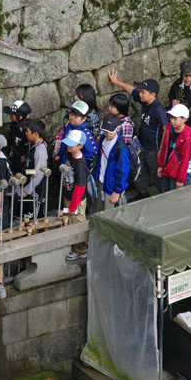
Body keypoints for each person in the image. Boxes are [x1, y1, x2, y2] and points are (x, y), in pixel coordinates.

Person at [107, 71, 167, 198]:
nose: (139, 94)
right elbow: (132, 90)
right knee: (141, 170)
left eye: (143, 92)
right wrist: (116, 82)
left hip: (154, 149)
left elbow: (166, 128)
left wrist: (162, 149)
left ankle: (164, 195)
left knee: (156, 173)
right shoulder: (145, 101)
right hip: (143, 145)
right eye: (140, 91)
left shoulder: (158, 109)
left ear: (153, 95)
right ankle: (143, 193)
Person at [60, 129, 90, 260]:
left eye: (71, 145)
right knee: (70, 222)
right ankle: (74, 248)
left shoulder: (80, 165)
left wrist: (73, 205)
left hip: (76, 200)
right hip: (68, 195)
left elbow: (80, 187)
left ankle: (81, 250)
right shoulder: (69, 155)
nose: (68, 147)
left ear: (80, 146)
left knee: (77, 223)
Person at [93, 113, 131, 210]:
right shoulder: (102, 139)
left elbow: (123, 171)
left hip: (112, 186)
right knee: (99, 209)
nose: (107, 134)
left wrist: (117, 191)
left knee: (110, 212)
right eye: (105, 131)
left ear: (118, 129)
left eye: (110, 132)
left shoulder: (120, 148)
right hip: (102, 180)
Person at [157, 104, 191, 191]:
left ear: (184, 119)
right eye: (171, 118)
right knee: (165, 192)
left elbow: (185, 159)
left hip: (176, 172)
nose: (172, 121)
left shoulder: (186, 137)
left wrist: (180, 179)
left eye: (175, 119)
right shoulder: (169, 128)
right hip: (167, 168)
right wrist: (160, 165)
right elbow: (164, 147)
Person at [53, 100, 97, 171]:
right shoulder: (69, 125)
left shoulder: (85, 134)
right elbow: (64, 141)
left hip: (75, 167)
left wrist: (76, 156)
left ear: (84, 119)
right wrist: (60, 154)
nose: (72, 117)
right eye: (71, 114)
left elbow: (93, 152)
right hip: (65, 161)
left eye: (76, 116)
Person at [22, 119, 49, 218]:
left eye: (27, 132)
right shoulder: (33, 146)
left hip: (35, 191)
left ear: (36, 134)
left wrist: (27, 190)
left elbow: (39, 173)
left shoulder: (40, 151)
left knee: (33, 218)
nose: (25, 133)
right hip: (29, 187)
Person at [168, 59, 191, 130]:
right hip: (177, 122)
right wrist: (173, 100)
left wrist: (187, 89)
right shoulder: (178, 83)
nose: (188, 79)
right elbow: (171, 93)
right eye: (185, 76)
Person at [3, 100, 31, 174]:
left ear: (20, 117)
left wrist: (26, 156)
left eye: (13, 115)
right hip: (14, 154)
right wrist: (12, 147)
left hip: (22, 159)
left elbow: (32, 144)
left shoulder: (26, 129)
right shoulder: (14, 125)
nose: (10, 116)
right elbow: (12, 137)